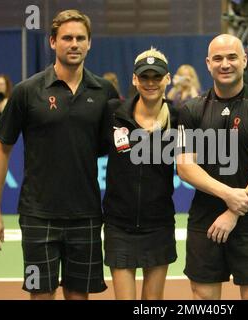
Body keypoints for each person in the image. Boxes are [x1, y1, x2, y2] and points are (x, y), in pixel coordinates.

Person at [0, 10, 118, 300]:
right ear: (52, 42)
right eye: (67, 38)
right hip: (37, 216)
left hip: (86, 215)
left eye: (80, 38)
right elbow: (0, 150)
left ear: (89, 44)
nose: (74, 44)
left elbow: (114, 148)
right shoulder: (26, 92)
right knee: (41, 294)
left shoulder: (104, 92)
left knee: (78, 296)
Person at [176, 34, 248, 300]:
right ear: (208, 63)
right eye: (218, 58)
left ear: (245, 61)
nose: (225, 64)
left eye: (232, 57)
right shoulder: (191, 110)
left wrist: (234, 212)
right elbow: (185, 167)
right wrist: (228, 195)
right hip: (206, 221)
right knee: (203, 298)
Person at [102, 48, 177, 300]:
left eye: (157, 76)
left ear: (168, 78)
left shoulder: (178, 118)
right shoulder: (113, 113)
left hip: (159, 224)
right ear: (134, 79)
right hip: (118, 224)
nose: (151, 82)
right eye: (144, 77)